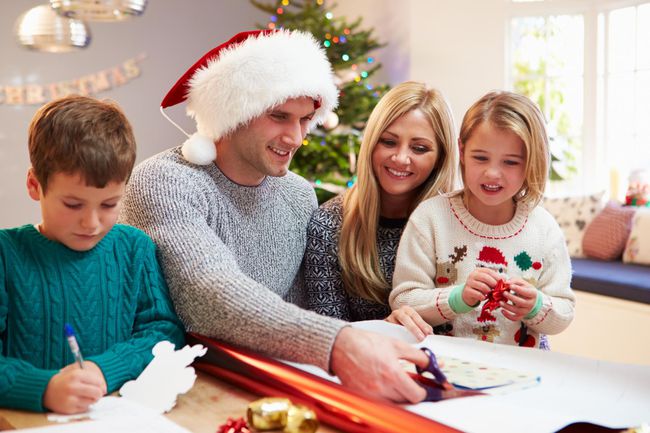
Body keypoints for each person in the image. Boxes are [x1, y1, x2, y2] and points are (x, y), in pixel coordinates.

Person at [119, 29, 429, 403]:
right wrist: (341, 342)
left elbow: (299, 313)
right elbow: (209, 294)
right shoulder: (166, 180)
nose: (296, 138)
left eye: (305, 119)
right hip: (178, 389)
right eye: (279, 116)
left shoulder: (298, 195)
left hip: (270, 387)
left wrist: (375, 334)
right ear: (232, 110)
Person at [0, 95, 185, 414]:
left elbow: (163, 332)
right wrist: (42, 387)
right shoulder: (6, 254)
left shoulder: (134, 249)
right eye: (73, 205)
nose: (91, 222)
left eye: (109, 204)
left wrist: (105, 369)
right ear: (34, 185)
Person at [390, 90, 576, 348]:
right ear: (462, 151)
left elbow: (564, 312)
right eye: (480, 158)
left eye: (510, 162)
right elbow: (403, 300)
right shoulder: (431, 218)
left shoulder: (543, 228)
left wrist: (536, 306)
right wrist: (457, 298)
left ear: (531, 162)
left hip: (521, 374)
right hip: (444, 366)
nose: (492, 173)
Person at [304, 81, 458, 340]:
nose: (400, 158)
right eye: (388, 142)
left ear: (441, 157)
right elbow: (327, 339)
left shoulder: (462, 223)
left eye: (419, 148)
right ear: (371, 143)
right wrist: (385, 329)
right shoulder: (329, 224)